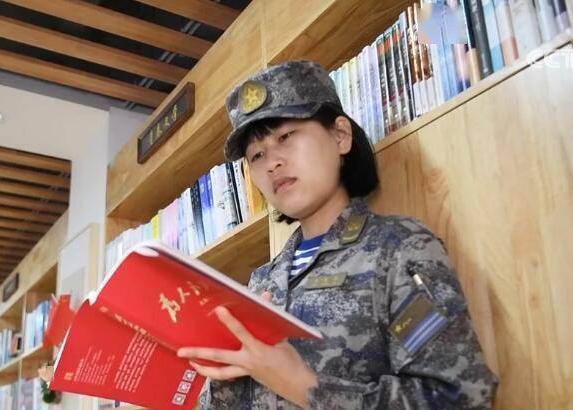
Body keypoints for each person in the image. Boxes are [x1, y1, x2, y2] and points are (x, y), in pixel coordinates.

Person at [175, 60, 498, 409]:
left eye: (286, 137)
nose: (272, 163)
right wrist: (222, 375)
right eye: (256, 155)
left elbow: (460, 396)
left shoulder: (398, 248)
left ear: (340, 136)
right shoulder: (261, 282)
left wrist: (304, 386)